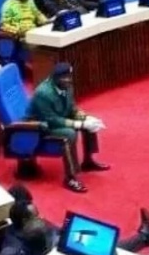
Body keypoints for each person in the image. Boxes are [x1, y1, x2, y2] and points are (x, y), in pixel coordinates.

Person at [27, 62, 108, 193]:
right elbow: (51, 120)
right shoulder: (43, 93)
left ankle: (88, 161)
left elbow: (72, 108)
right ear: (55, 78)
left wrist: (85, 118)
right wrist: (78, 124)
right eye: (64, 77)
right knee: (69, 134)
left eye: (69, 76)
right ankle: (70, 177)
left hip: (57, 119)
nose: (68, 80)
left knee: (89, 124)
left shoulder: (67, 86)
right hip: (40, 126)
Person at [3, 183, 149, 251]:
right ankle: (144, 237)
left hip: (54, 237)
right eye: (36, 216)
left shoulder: (15, 226)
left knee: (84, 230)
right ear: (24, 220)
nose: (41, 217)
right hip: (54, 251)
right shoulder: (22, 244)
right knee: (103, 248)